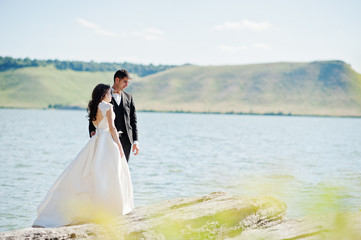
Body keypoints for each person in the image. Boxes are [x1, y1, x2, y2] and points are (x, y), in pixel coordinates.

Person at [33, 84, 134, 228]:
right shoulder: (108, 107)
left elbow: (97, 126)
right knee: (110, 174)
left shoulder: (94, 107)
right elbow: (112, 128)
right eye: (109, 93)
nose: (111, 95)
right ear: (103, 95)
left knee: (92, 174)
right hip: (107, 142)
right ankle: (110, 207)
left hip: (95, 142)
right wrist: (119, 146)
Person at [89, 69, 139, 162]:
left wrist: (135, 141)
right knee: (110, 167)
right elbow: (95, 112)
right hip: (109, 139)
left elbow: (133, 120)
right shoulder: (105, 95)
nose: (126, 85)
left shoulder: (129, 97)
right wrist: (92, 131)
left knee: (123, 168)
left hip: (126, 140)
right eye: (125, 82)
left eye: (128, 82)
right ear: (117, 80)